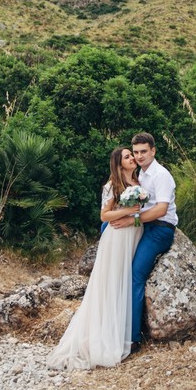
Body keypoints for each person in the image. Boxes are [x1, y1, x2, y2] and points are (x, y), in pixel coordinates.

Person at [46, 147, 144, 370]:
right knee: (111, 284)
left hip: (133, 235)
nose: (132, 159)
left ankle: (120, 332)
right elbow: (104, 216)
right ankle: (101, 338)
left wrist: (136, 218)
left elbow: (139, 215)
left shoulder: (138, 182)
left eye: (132, 155)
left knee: (125, 282)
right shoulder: (112, 186)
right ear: (119, 164)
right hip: (117, 238)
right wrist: (126, 212)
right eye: (128, 157)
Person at [109, 131, 177, 352]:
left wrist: (131, 219)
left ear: (153, 151)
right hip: (145, 225)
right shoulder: (141, 174)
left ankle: (132, 338)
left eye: (143, 152)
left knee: (135, 275)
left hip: (160, 229)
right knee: (106, 229)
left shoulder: (161, 175)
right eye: (135, 152)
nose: (138, 156)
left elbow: (161, 209)